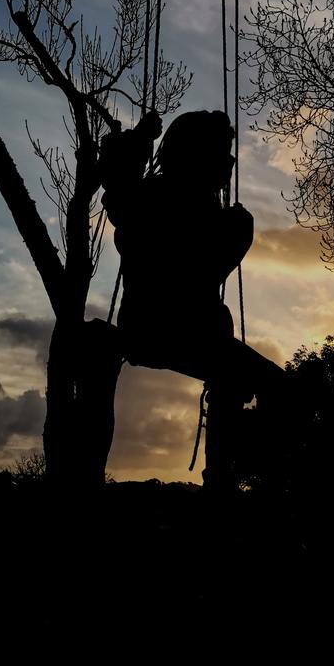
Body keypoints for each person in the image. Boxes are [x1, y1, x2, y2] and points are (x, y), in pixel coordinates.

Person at [99, 109, 284, 488]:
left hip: (186, 334)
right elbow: (118, 186)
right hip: (158, 330)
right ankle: (228, 481)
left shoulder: (209, 210)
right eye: (222, 152)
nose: (230, 163)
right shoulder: (155, 196)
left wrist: (232, 234)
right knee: (272, 387)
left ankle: (226, 476)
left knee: (239, 381)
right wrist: (141, 138)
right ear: (196, 154)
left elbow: (208, 271)